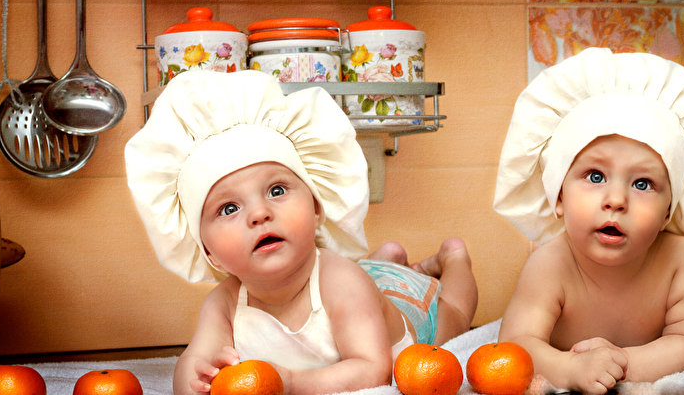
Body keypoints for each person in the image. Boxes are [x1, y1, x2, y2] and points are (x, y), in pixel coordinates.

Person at [125, 70, 478, 395]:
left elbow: (374, 369)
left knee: (455, 315)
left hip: (405, 307)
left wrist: (292, 382)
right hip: (367, 287)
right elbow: (192, 363)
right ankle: (388, 259)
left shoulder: (342, 282)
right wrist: (199, 382)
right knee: (373, 275)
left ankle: (451, 258)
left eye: (277, 190)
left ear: (316, 207)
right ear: (209, 253)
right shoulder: (223, 304)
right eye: (228, 209)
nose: (259, 214)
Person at [493, 48, 684, 394]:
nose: (616, 200)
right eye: (595, 176)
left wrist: (623, 363)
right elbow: (516, 343)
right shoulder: (549, 265)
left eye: (642, 184)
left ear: (668, 211)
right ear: (558, 196)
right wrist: (571, 368)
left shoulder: (680, 259)